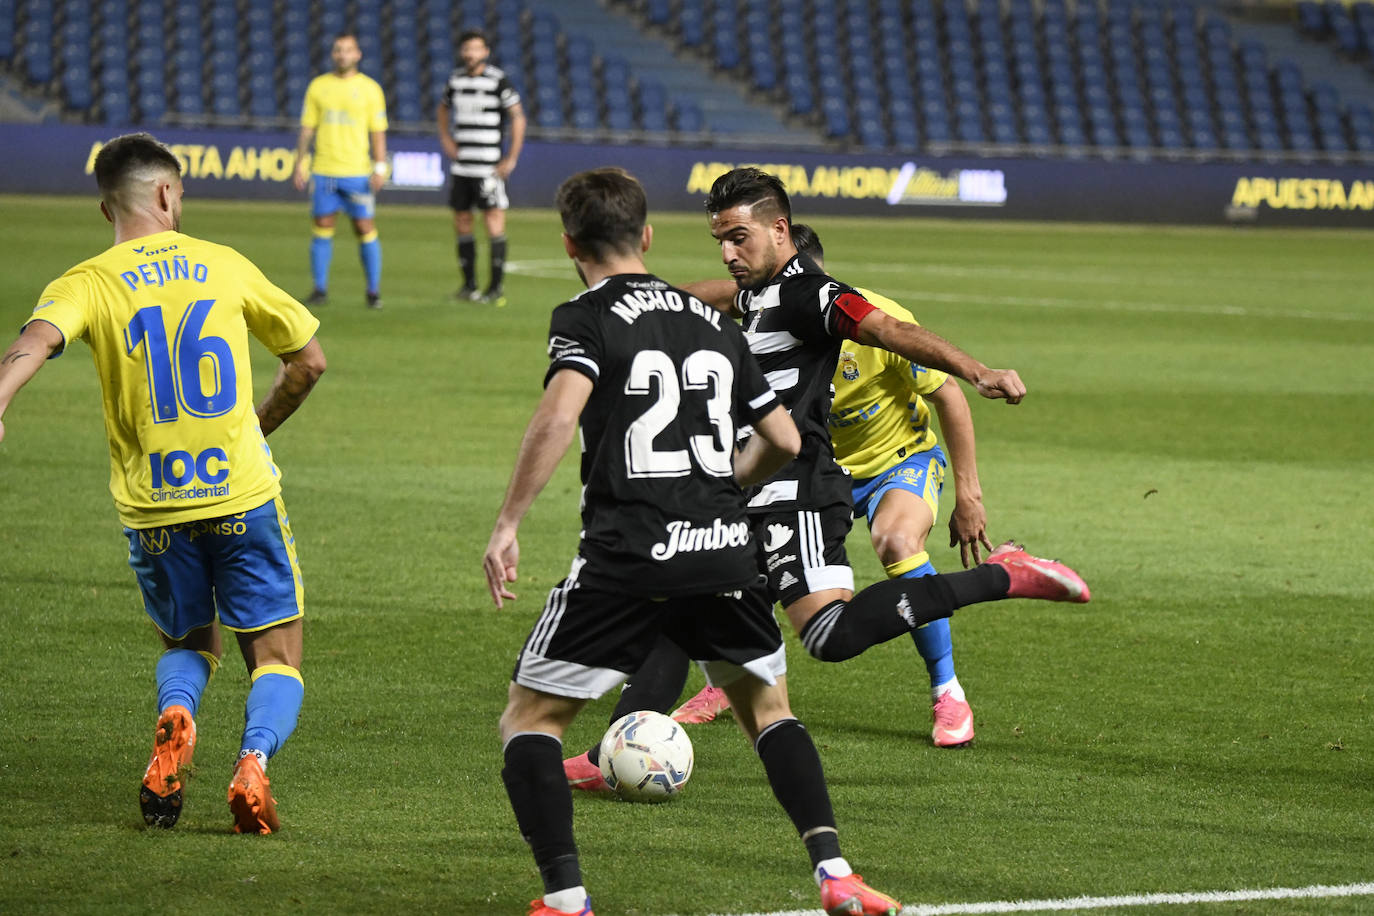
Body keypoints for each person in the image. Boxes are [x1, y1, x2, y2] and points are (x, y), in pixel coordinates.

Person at [561, 170, 1091, 791]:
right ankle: (609, 757)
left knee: (829, 635)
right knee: (678, 612)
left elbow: (887, 330)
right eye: (720, 241)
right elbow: (713, 296)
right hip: (746, 491)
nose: (729, 253)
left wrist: (976, 371)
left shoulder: (809, 293)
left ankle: (1003, 575)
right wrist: (633, 294)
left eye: (739, 238)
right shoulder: (756, 289)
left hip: (798, 492)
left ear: (779, 229)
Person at [482, 166, 903, 916]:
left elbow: (557, 415)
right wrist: (729, 490)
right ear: (647, 235)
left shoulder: (585, 315)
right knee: (769, 713)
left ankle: (566, 897)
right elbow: (781, 435)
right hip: (723, 546)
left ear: (571, 243)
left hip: (628, 550)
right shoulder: (715, 321)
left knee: (528, 719)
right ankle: (836, 872)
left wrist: (509, 520)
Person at [0, 132, 327, 834]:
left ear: (105, 209)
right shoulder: (223, 264)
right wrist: (256, 426)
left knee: (187, 642)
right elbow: (309, 363)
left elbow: (34, 344)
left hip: (154, 510)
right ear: (168, 193)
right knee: (276, 653)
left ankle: (177, 718)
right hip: (241, 494)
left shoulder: (85, 281)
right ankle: (253, 763)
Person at [797, 222, 987, 748]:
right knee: (747, 560)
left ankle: (947, 691)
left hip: (897, 462)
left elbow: (949, 395)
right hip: (819, 470)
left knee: (897, 542)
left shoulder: (876, 323)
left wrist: (968, 495)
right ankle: (732, 680)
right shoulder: (766, 323)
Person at [292, 32, 389, 309]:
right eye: (338, 50)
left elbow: (378, 132)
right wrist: (300, 162)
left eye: (348, 50)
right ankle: (319, 289)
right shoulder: (318, 87)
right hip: (324, 170)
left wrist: (379, 167)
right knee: (322, 226)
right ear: (333, 54)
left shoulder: (371, 89)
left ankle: (373, 291)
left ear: (358, 54)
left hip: (357, 172)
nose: (342, 54)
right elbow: (307, 128)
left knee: (365, 227)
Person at [437, 28, 526, 307]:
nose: (470, 53)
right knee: (462, 221)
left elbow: (518, 118)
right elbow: (442, 109)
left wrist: (510, 158)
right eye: (467, 48)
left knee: (493, 222)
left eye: (476, 48)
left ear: (485, 52)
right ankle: (469, 285)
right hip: (462, 167)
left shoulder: (498, 80)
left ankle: (495, 287)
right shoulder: (455, 79)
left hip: (488, 168)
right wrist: (446, 139)